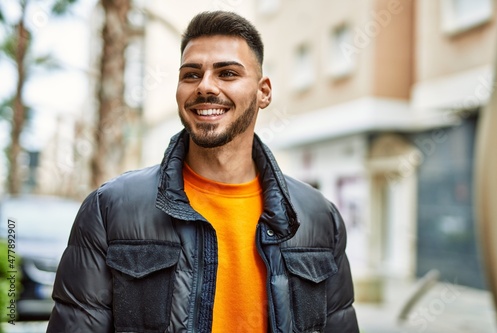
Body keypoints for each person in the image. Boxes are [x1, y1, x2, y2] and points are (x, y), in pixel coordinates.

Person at [47, 10, 359, 333]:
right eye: (191, 75)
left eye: (227, 73)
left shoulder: (320, 219)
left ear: (263, 92)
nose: (205, 87)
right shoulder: (108, 210)